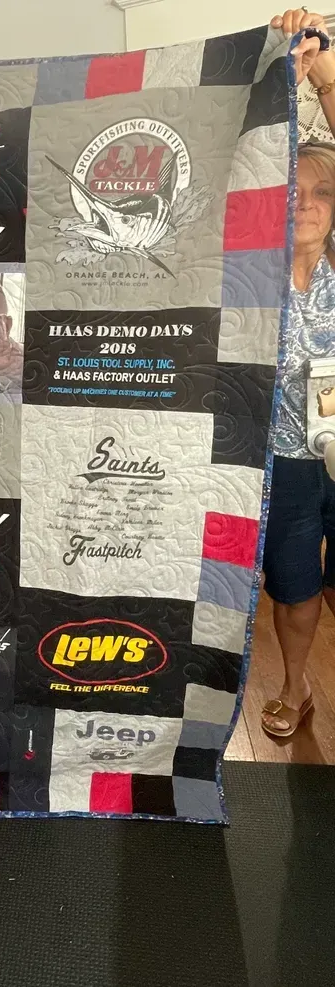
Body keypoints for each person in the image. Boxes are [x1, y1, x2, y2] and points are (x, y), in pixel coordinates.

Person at [261, 10, 335, 737]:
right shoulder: (253, 275)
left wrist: (327, 71)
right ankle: (292, 685)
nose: (306, 204)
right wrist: (279, 85)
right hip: (285, 456)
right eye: (294, 193)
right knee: (294, 585)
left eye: (322, 192)